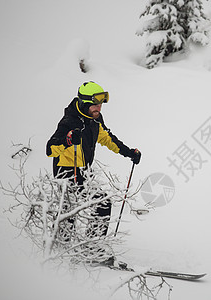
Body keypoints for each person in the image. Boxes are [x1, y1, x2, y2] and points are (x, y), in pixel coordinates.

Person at [46, 81, 141, 243]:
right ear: (84, 104)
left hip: (84, 172)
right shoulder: (69, 122)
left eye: (100, 105)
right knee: (70, 211)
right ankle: (62, 247)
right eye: (95, 105)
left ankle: (92, 247)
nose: (99, 108)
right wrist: (68, 140)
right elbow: (50, 149)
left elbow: (107, 138)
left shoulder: (95, 119)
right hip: (66, 173)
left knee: (102, 203)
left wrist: (128, 152)